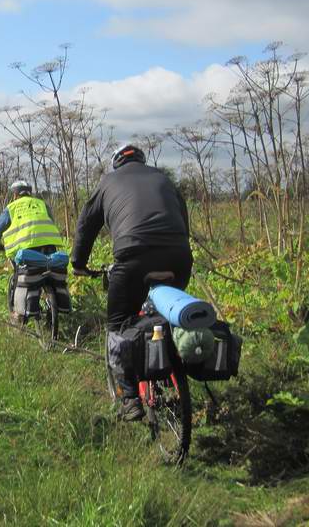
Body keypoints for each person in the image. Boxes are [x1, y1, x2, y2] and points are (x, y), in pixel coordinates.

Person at [71, 144, 193, 421]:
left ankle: (129, 398)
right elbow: (183, 221)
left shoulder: (108, 181)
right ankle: (174, 364)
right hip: (179, 257)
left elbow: (86, 225)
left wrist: (78, 263)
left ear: (117, 164)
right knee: (168, 313)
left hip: (133, 260)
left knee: (117, 325)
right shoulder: (164, 179)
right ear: (142, 161)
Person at [0, 180, 63, 259]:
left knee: (22, 268)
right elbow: (51, 221)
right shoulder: (42, 204)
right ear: (30, 194)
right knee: (52, 266)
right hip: (49, 245)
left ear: (15, 195)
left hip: (25, 249)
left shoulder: (11, 208)